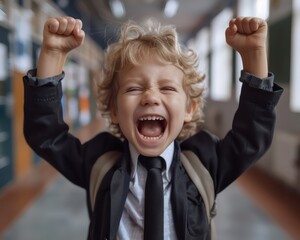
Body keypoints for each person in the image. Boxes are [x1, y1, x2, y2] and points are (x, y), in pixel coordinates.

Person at [23, 15, 283, 240]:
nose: (150, 96)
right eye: (134, 88)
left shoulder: (204, 163)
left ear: (189, 108)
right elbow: (47, 135)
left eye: (168, 88)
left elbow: (251, 136)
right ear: (114, 108)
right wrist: (53, 56)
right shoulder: (99, 162)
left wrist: (255, 55)